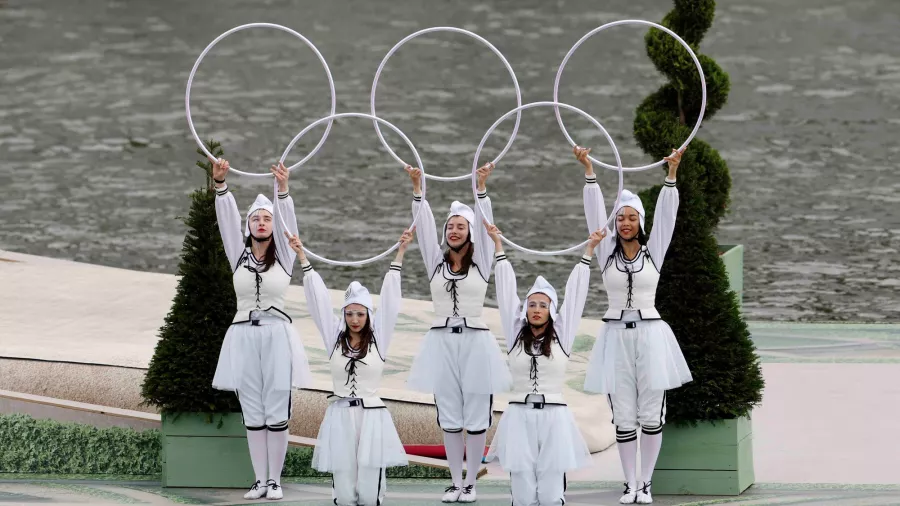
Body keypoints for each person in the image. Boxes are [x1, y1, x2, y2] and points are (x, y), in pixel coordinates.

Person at [577, 146, 693, 504]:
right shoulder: (605, 254)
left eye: (632, 218)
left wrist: (671, 175)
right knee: (623, 415)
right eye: (621, 218)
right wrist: (589, 171)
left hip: (651, 336)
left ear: (640, 223)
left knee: (651, 413)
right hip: (615, 337)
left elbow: (668, 219)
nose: (625, 223)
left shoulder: (652, 253)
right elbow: (594, 214)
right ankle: (629, 483)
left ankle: (646, 483)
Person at [404, 163, 512, 503]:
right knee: (449, 415)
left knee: (477, 413)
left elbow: (486, 224)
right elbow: (422, 227)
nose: (453, 230)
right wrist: (418, 188)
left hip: (476, 343)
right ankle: (455, 482)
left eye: (460, 226)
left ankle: (472, 483)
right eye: (450, 225)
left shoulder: (482, 262)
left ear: (469, 232)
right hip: (441, 342)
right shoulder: (435, 260)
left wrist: (481, 188)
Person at [209, 158, 312, 501]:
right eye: (256, 218)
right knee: (252, 410)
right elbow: (226, 222)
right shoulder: (237, 254)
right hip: (242, 335)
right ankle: (259, 480)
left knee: (276, 409)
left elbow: (289, 224)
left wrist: (282, 190)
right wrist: (221, 185)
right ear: (248, 226)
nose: (262, 223)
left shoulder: (284, 256)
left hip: (276, 335)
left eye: (267, 218)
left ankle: (276, 480)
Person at [289, 230, 413, 506]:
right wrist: (302, 257)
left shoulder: (379, 337)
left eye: (360, 313)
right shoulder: (334, 337)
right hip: (340, 416)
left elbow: (391, 300)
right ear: (343, 315)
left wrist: (401, 253)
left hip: (372, 417)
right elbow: (319, 301)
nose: (355, 319)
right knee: (344, 495)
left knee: (369, 495)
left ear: (369, 314)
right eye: (349, 313)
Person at [485, 221, 604, 505]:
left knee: (551, 492)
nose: (537, 310)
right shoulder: (515, 333)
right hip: (518, 416)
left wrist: (588, 252)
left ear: (552, 309)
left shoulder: (561, 335)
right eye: (532, 305)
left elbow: (575, 295)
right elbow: (504, 292)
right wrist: (498, 247)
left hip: (554, 417)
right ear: (525, 309)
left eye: (543, 305)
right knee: (523, 492)